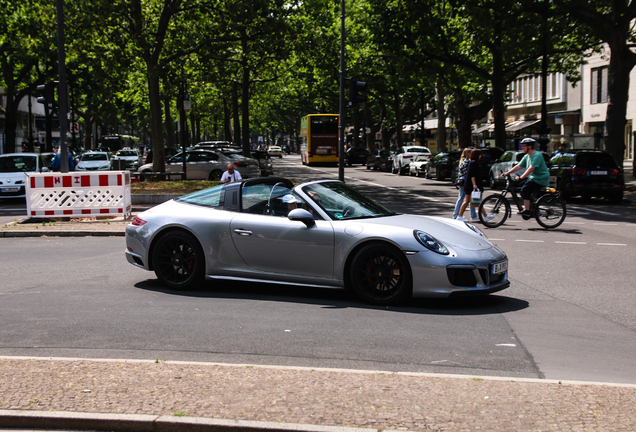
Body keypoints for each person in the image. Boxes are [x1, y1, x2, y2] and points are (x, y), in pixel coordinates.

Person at [502, 137, 550, 218]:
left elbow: (531, 168)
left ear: (530, 146)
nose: (522, 148)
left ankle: (527, 210)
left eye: (524, 146)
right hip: (533, 178)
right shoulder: (527, 156)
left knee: (525, 189)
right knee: (522, 190)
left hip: (541, 178)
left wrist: (521, 177)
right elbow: (518, 166)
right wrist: (507, 172)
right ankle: (532, 206)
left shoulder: (537, 155)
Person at [456, 148, 494, 222]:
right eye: (480, 155)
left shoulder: (472, 162)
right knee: (468, 201)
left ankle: (485, 216)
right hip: (471, 185)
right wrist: (474, 184)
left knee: (475, 201)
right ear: (477, 155)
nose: (481, 156)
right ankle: (460, 216)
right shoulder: (474, 163)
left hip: (469, 184)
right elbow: (473, 175)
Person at [453, 148, 478, 221]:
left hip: (461, 179)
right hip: (466, 180)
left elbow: (459, 172)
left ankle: (457, 214)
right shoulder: (469, 162)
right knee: (467, 198)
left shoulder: (462, 161)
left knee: (465, 198)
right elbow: (470, 172)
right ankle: (470, 215)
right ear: (469, 154)